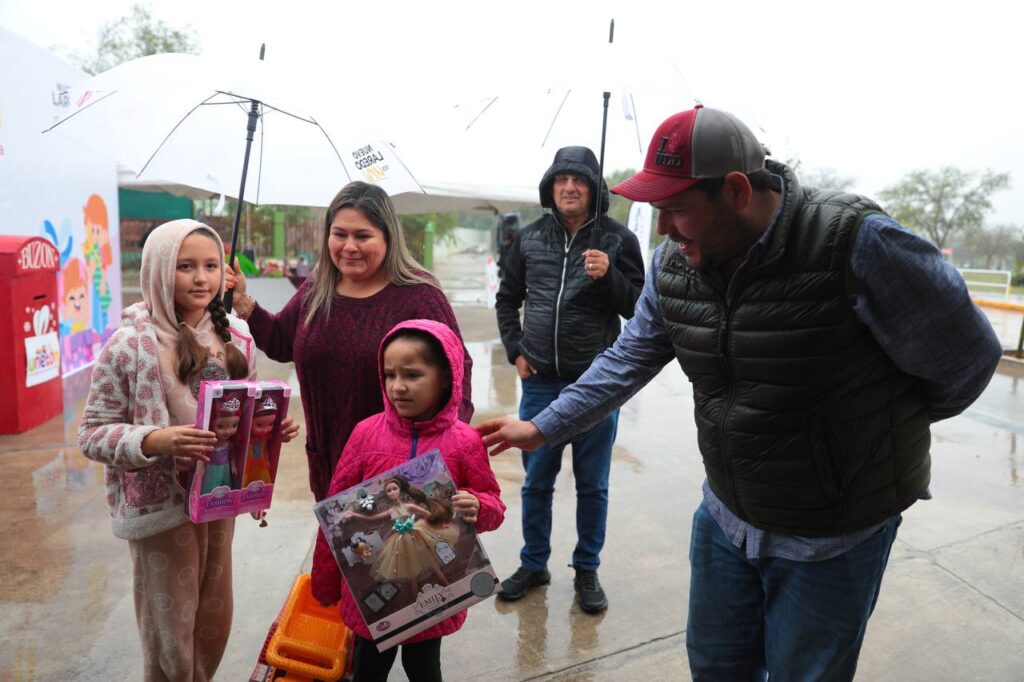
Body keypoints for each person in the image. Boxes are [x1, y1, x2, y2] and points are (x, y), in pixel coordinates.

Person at [479, 105, 1004, 680]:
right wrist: (543, 425)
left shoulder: (855, 242)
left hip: (831, 537)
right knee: (716, 667)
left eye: (676, 210)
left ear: (734, 191)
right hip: (727, 519)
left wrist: (872, 434)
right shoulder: (673, 267)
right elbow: (629, 356)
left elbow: (967, 358)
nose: (662, 230)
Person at [77, 219, 300, 681]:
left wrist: (269, 430)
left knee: (213, 620)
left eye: (210, 266)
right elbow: (93, 433)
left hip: (218, 499)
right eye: (185, 266)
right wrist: (155, 440)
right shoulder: (129, 346)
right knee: (170, 630)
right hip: (161, 510)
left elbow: (247, 415)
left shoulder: (237, 337)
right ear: (158, 271)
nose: (201, 278)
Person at [227, 181, 474, 502]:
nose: (349, 246)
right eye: (339, 234)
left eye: (363, 236)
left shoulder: (419, 295)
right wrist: (243, 300)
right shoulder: (319, 287)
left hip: (400, 472)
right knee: (340, 548)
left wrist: (437, 450)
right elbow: (280, 342)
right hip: (329, 463)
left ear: (388, 237)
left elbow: (458, 375)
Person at [494, 145, 645, 613]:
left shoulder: (618, 241)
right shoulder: (529, 238)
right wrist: (516, 350)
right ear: (550, 186)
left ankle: (587, 570)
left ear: (594, 188)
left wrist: (608, 277)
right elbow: (506, 297)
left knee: (592, 484)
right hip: (540, 382)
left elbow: (639, 309)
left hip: (596, 386)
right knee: (537, 481)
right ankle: (534, 563)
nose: (570, 187)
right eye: (561, 179)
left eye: (579, 180)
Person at [311, 319, 504, 682]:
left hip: (433, 586)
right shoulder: (365, 434)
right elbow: (335, 515)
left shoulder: (465, 442)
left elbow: (492, 502)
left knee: (424, 668)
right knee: (367, 669)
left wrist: (478, 505)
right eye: (389, 375)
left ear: (446, 376)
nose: (398, 387)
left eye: (413, 374)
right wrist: (323, 582)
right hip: (372, 583)